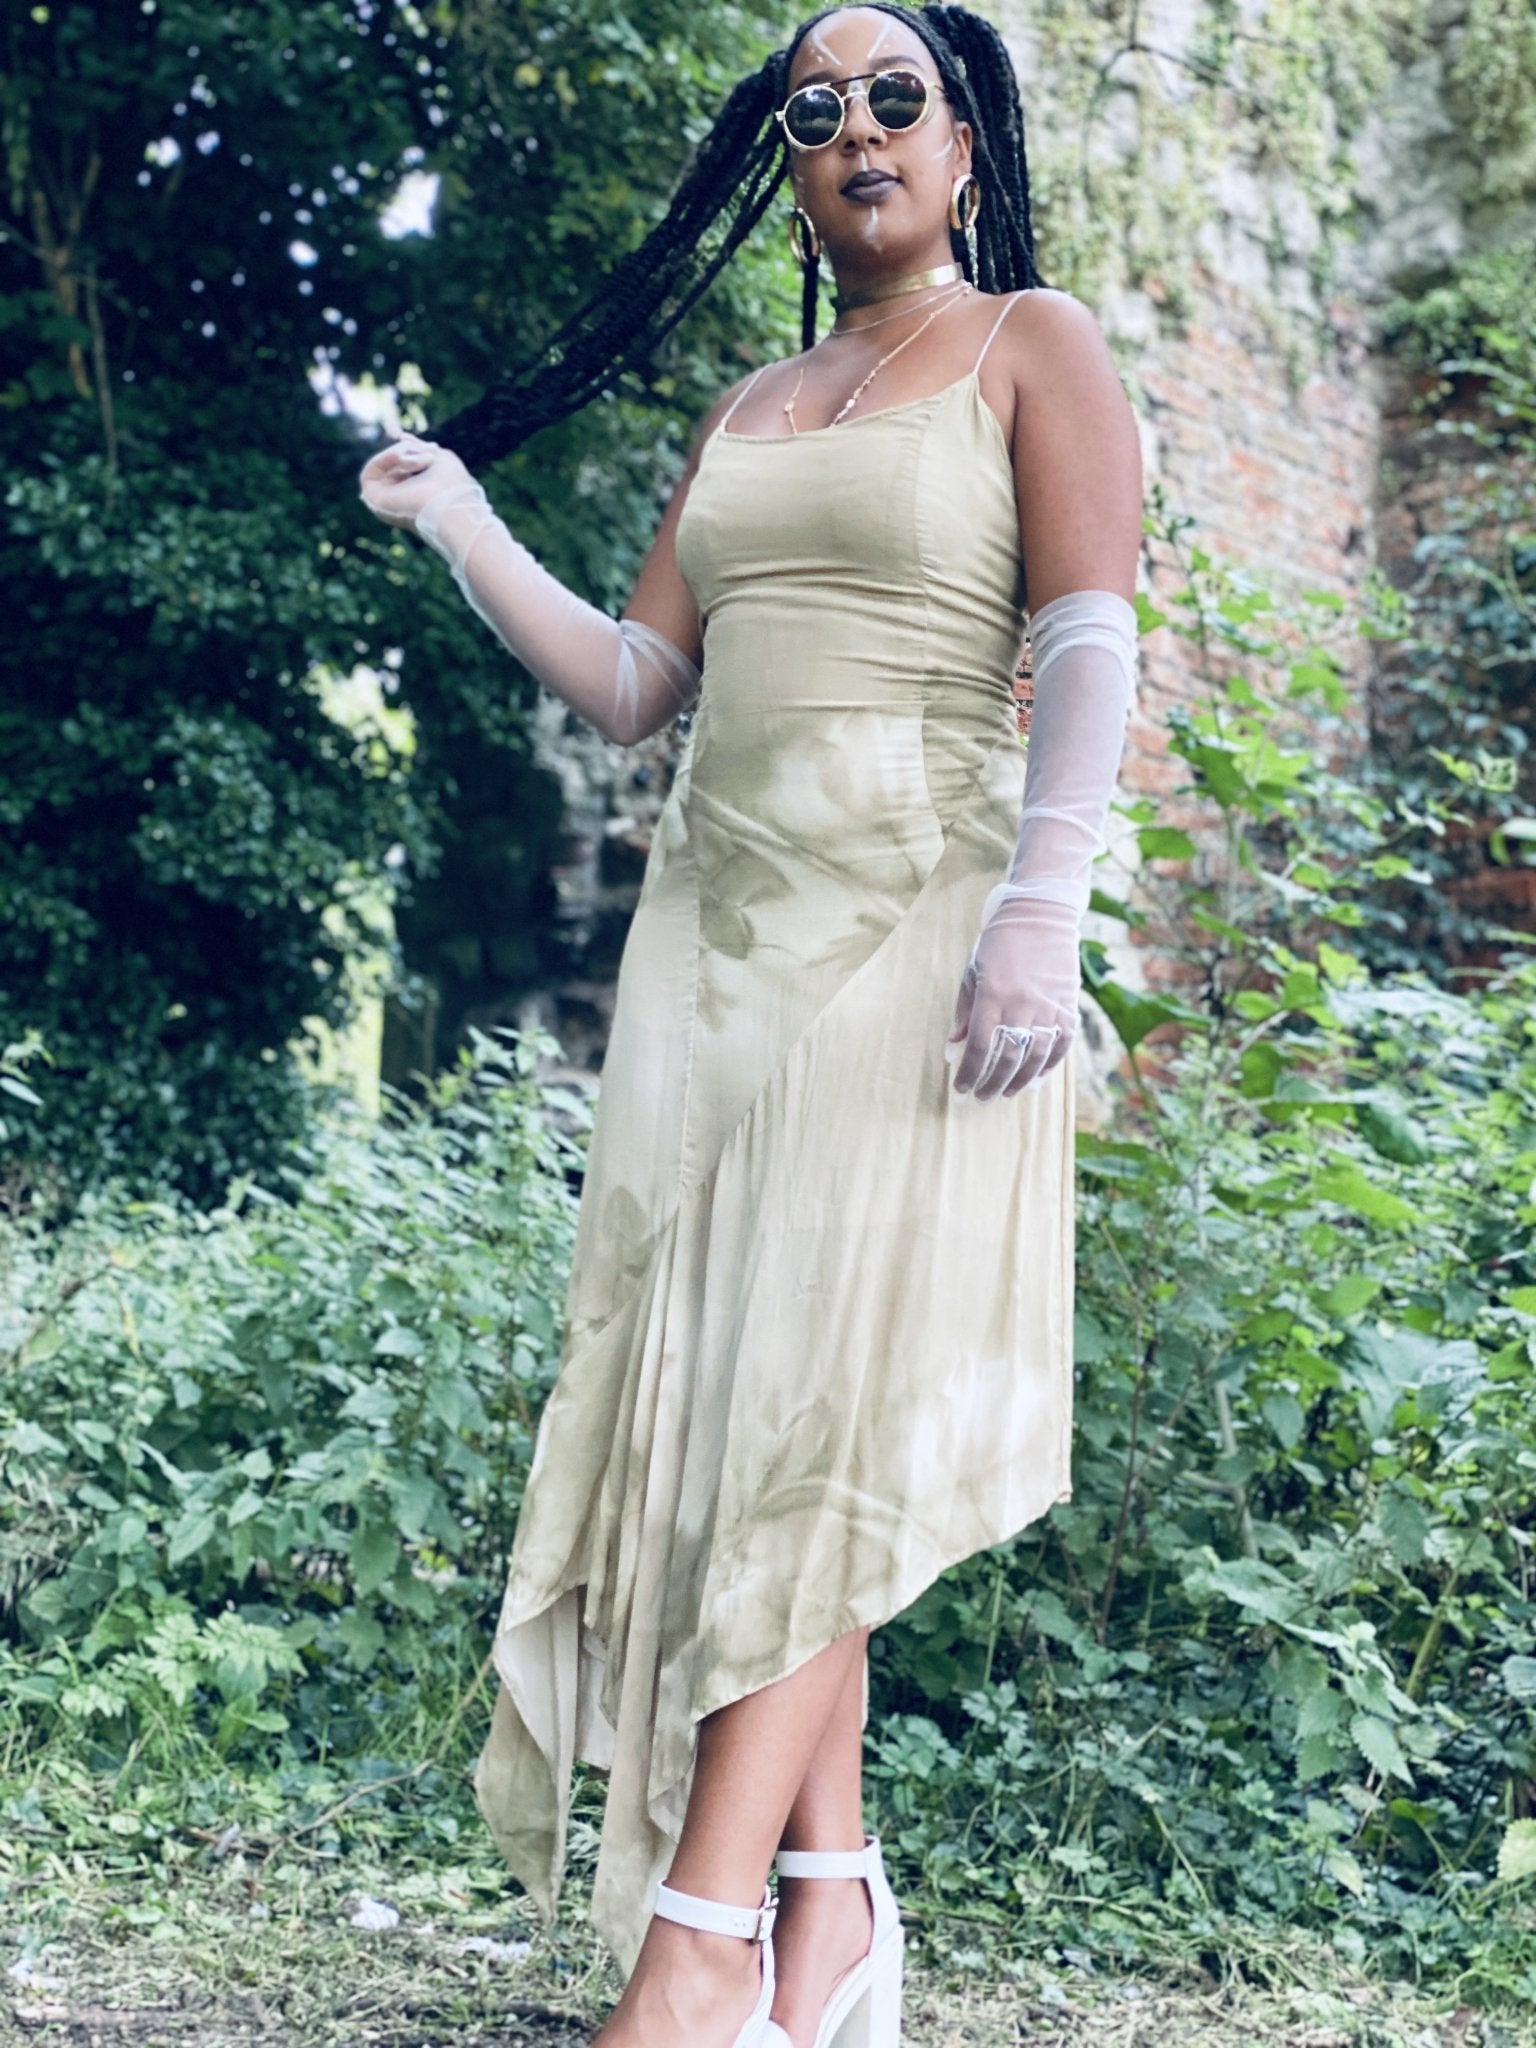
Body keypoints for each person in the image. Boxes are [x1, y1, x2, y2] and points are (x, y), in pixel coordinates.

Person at [358, 5, 1143, 2043]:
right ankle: (830, 1908)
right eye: (814, 109)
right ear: (785, 169)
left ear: (962, 142)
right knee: (753, 1424)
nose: (856, 128)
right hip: (713, 954)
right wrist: (462, 523)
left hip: (922, 932)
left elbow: (1087, 639)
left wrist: (1041, 905)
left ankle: (699, 1945)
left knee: (826, 1419)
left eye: (896, 97)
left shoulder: (1032, 346)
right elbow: (639, 687)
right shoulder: (750, 405)